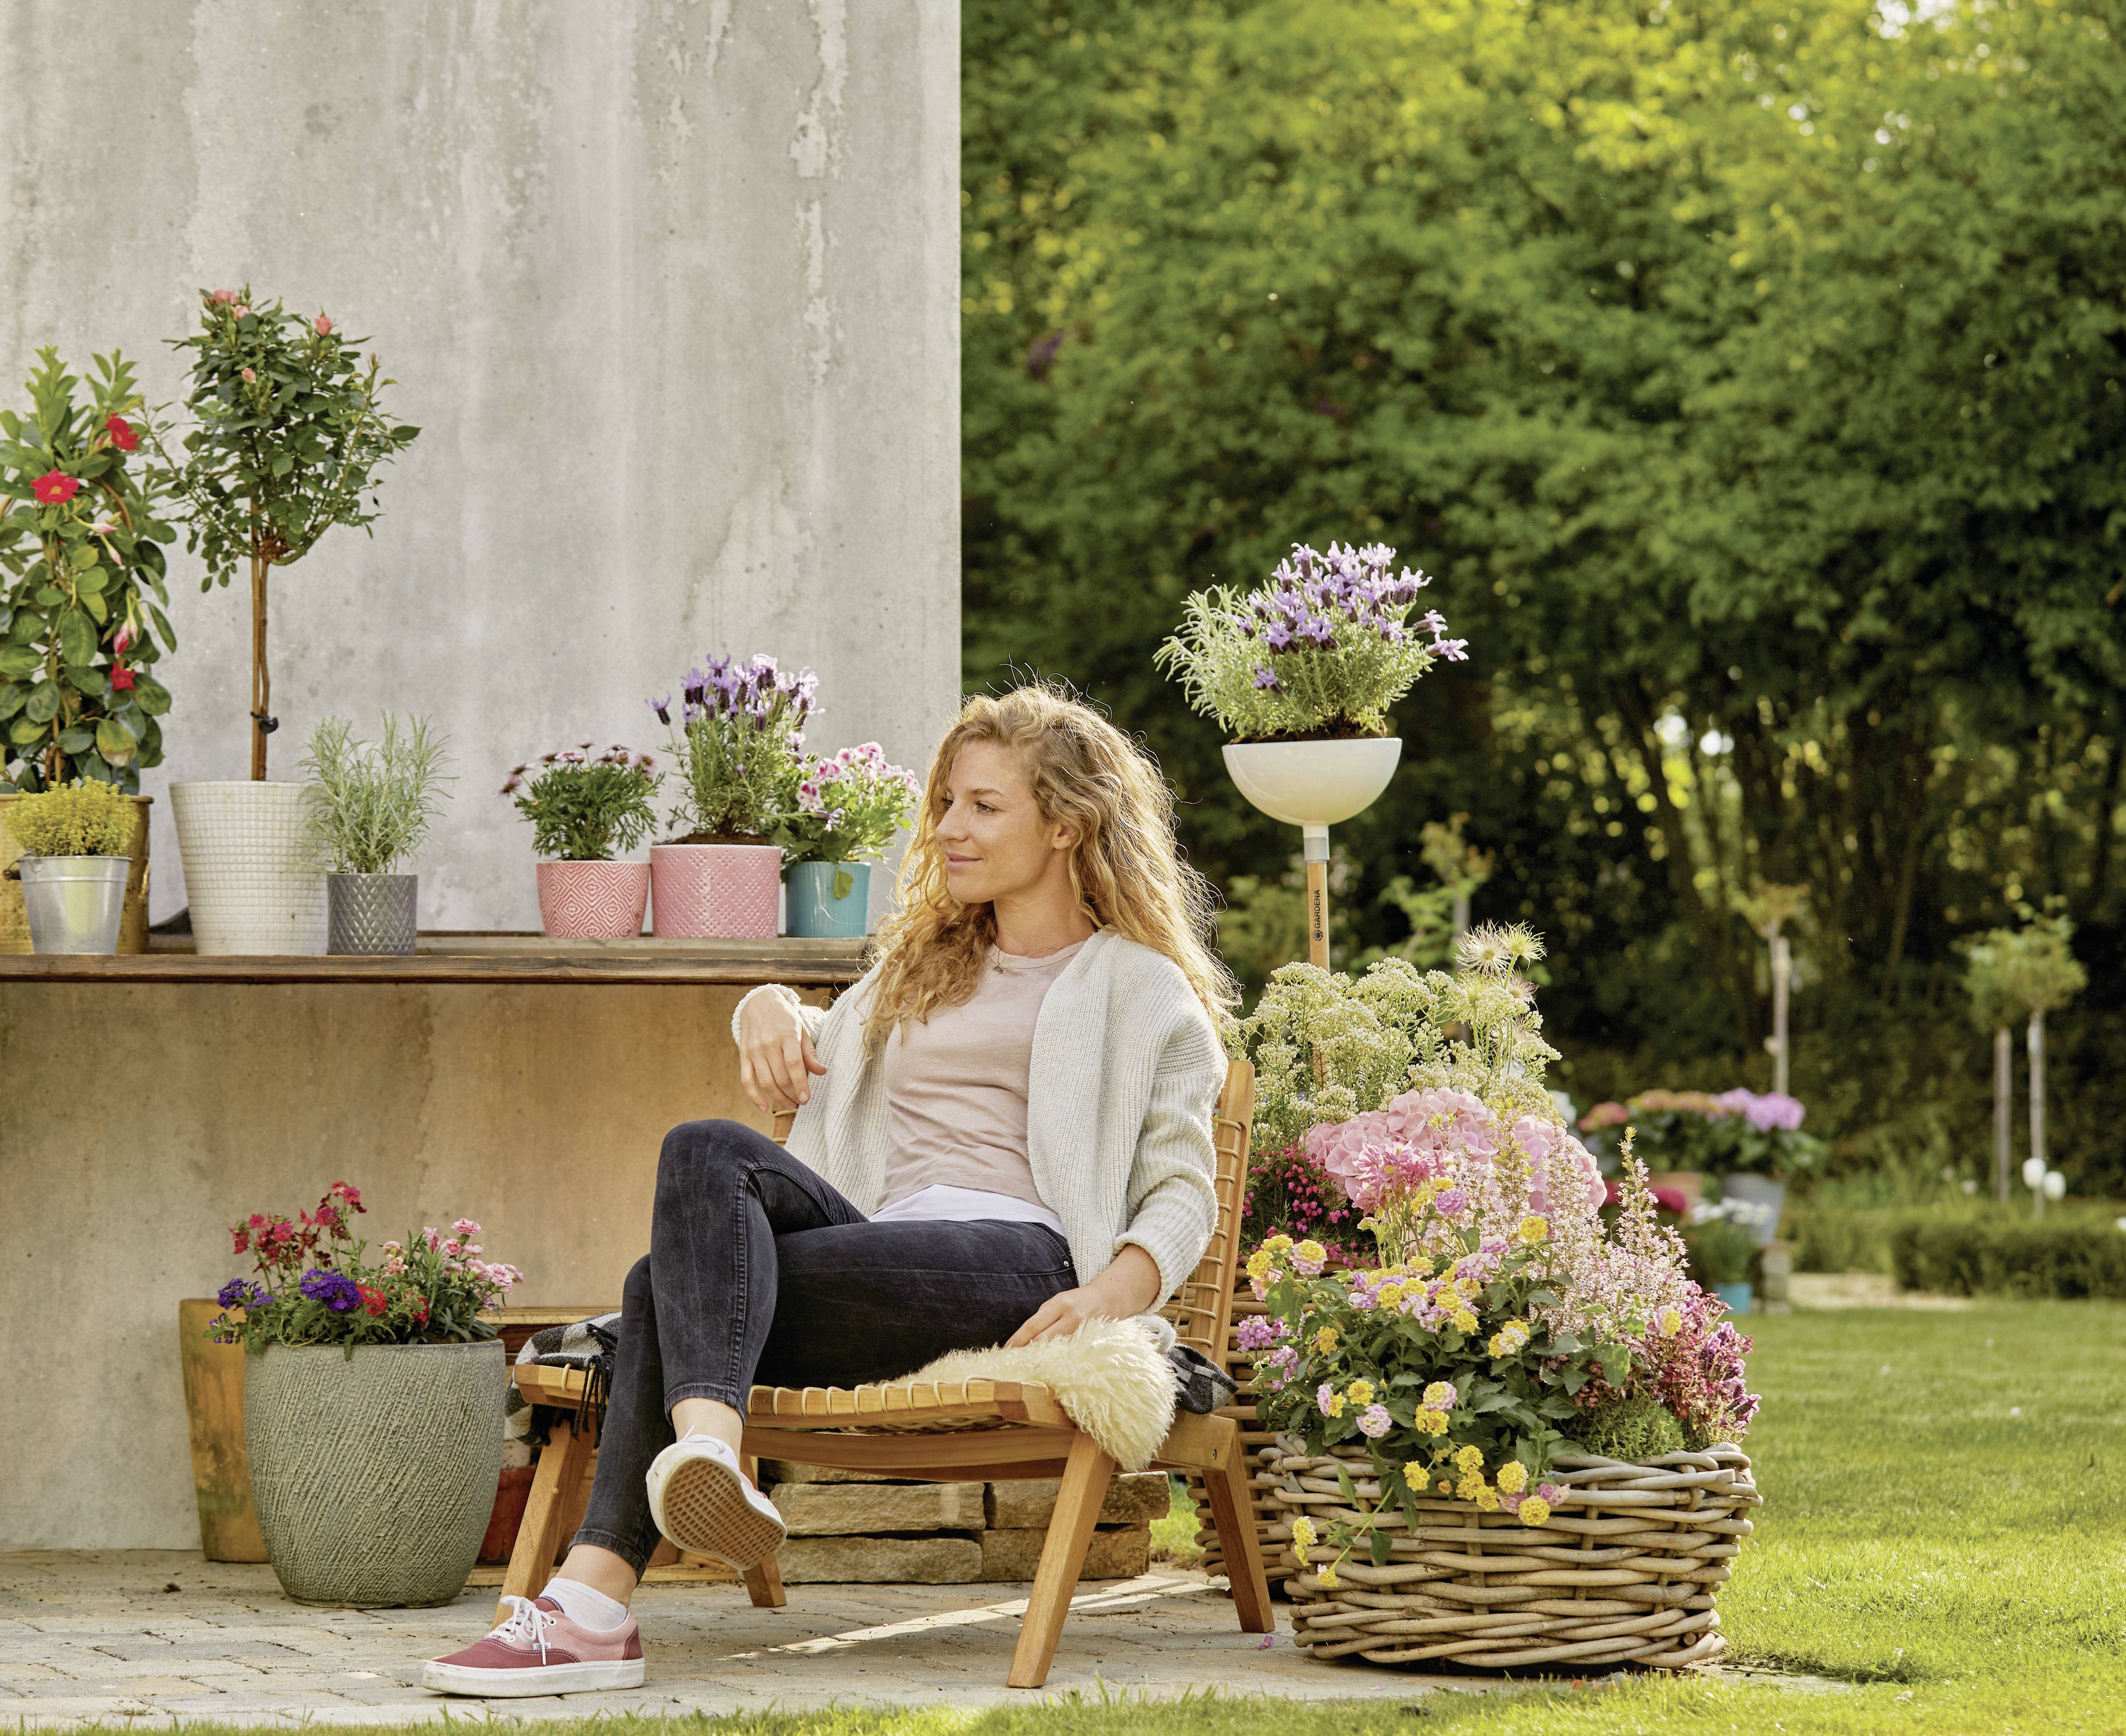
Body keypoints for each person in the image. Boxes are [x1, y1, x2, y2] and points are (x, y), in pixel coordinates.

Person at [425, 684, 1234, 1696]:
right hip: (880, 1250)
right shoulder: (921, 965)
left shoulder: (1138, 987)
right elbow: (815, 1037)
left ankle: (590, 1608)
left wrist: (1111, 1293)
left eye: (984, 805)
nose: (947, 827)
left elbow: (1180, 1190)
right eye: (946, 801)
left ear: (1067, 824)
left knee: (650, 1294)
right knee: (703, 1149)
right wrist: (762, 1002)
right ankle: (708, 1459)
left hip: (1020, 1258)